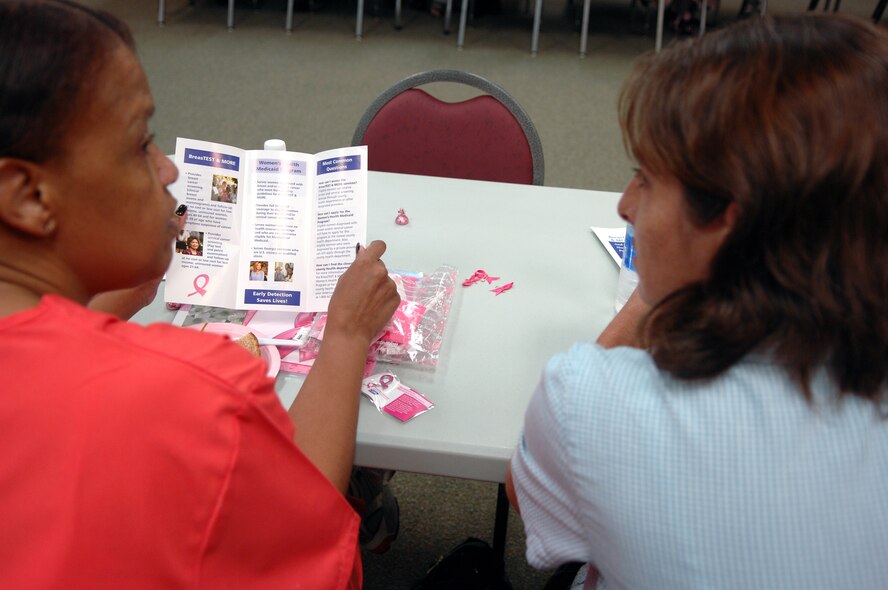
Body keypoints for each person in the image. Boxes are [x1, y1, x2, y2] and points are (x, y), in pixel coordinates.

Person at [0, 2, 399, 588]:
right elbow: (309, 529)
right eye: (139, 145)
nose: (164, 171)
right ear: (29, 196)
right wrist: (346, 333)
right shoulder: (190, 392)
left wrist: (115, 294)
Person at [507, 14, 888, 590]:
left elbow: (531, 496)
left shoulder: (588, 402)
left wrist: (652, 293)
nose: (625, 205)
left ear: (728, 226)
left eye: (647, 179)